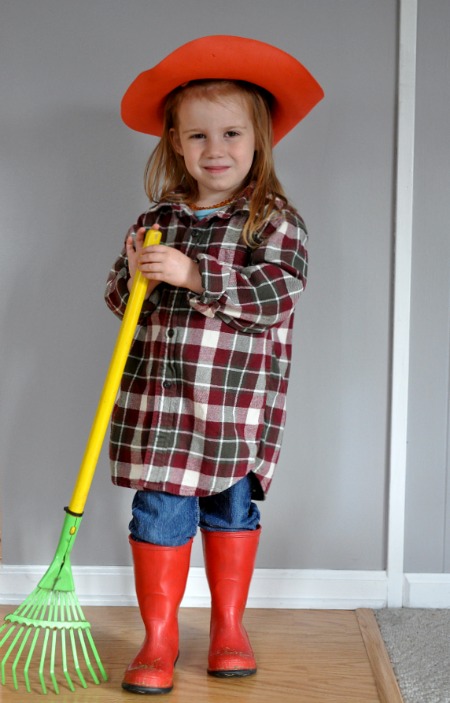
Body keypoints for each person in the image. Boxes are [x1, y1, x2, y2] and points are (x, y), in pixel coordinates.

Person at [105, 35, 323, 695]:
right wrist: (136, 275)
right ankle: (161, 637)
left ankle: (229, 626)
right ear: (175, 142)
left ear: (258, 140)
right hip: (165, 407)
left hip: (234, 405)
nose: (215, 149)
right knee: (160, 514)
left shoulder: (274, 222)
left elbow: (275, 295)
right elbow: (120, 300)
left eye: (231, 133)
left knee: (230, 510)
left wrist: (195, 274)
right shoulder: (155, 222)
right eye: (197, 136)